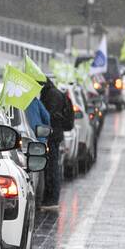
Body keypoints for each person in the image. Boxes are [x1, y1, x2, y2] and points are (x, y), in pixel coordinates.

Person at [39, 77, 73, 210]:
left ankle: (51, 199)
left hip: (53, 135)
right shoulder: (53, 93)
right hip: (55, 134)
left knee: (52, 167)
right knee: (52, 166)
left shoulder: (52, 95)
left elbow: (50, 115)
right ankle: (51, 198)